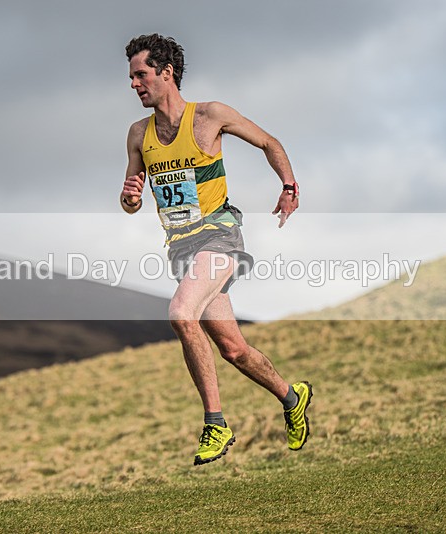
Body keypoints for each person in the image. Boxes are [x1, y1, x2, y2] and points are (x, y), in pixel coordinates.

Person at [121, 33, 312, 465]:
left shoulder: (210, 116)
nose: (134, 84)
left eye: (141, 74)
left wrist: (289, 186)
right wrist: (131, 196)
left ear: (166, 73)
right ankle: (291, 396)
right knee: (233, 349)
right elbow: (130, 201)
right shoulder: (138, 135)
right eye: (131, 77)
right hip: (182, 249)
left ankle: (215, 422)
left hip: (220, 234)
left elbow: (270, 143)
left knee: (179, 313)